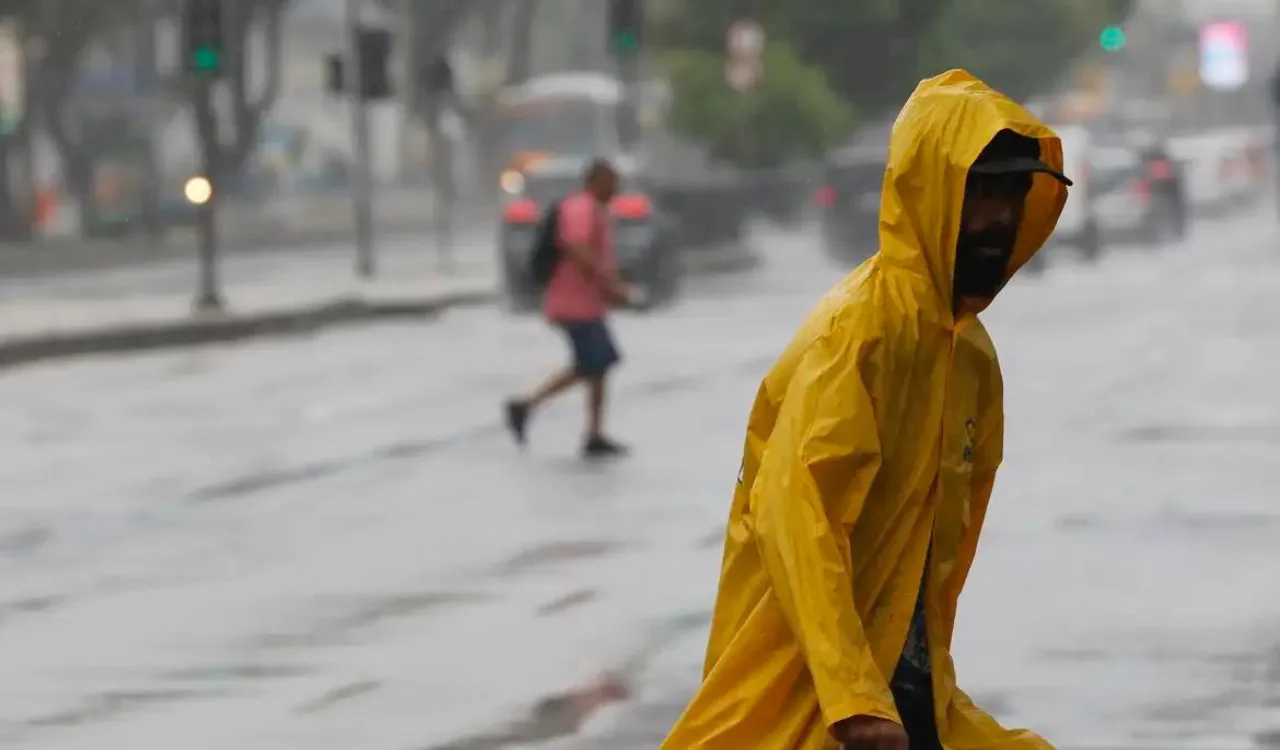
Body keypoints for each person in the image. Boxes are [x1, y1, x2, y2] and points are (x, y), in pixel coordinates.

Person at [659, 70, 1072, 750]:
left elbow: (930, 564)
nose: (998, 218)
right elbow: (798, 512)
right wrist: (852, 697)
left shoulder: (969, 359)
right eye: (979, 193)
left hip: (902, 694)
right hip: (806, 701)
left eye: (1011, 193)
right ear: (930, 193)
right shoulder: (859, 334)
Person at [504, 158, 631, 458]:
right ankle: (525, 406)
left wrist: (608, 288)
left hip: (586, 304)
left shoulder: (592, 209)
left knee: (598, 364)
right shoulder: (581, 207)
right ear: (596, 181)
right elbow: (576, 246)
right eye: (612, 182)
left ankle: (594, 433)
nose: (616, 189)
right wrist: (609, 282)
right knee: (593, 363)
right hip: (573, 304)